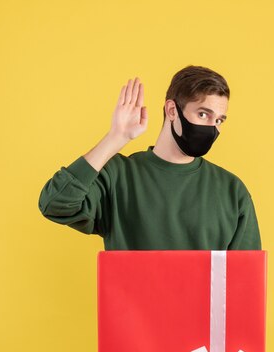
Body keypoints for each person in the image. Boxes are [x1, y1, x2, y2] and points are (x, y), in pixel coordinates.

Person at [38, 65, 261, 250]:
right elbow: (54, 203)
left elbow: (245, 284)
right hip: (129, 305)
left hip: (200, 306)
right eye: (203, 114)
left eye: (220, 120)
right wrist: (116, 138)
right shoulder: (118, 176)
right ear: (172, 110)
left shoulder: (232, 191)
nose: (212, 128)